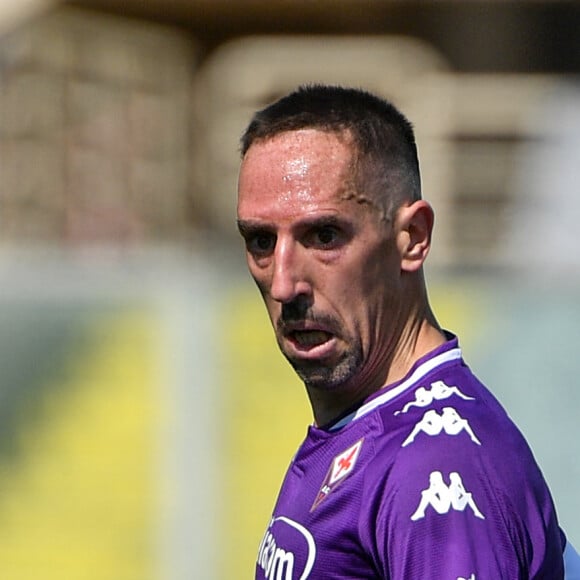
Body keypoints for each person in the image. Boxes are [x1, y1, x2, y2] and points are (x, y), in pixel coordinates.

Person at [236, 84, 578, 579]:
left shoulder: (436, 469)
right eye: (261, 241)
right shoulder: (365, 428)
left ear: (412, 239)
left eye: (324, 236)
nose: (285, 283)